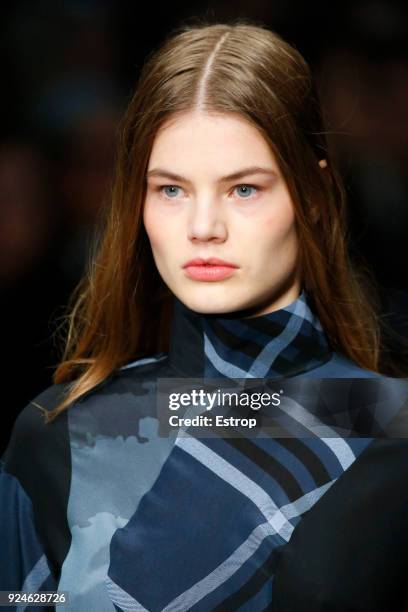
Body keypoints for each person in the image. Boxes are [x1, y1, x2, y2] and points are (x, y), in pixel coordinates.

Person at [1, 20, 408, 612]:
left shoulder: (391, 428)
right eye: (171, 190)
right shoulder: (56, 437)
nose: (203, 228)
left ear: (314, 198)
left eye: (244, 189)